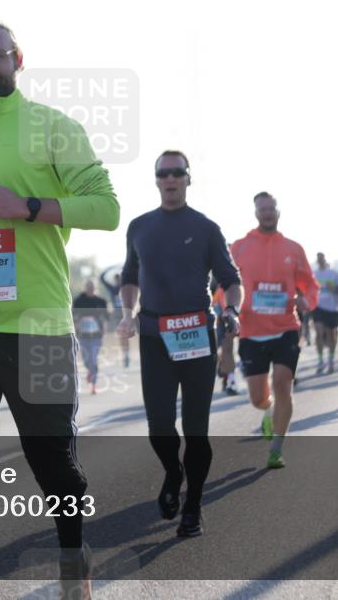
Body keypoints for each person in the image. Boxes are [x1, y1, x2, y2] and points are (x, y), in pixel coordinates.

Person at [0, 18, 119, 599]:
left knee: (53, 465)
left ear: (17, 60)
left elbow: (105, 208)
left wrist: (24, 205)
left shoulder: (52, 127)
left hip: (40, 326)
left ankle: (71, 559)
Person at [118, 150, 241, 537]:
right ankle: (174, 472)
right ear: (156, 180)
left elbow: (230, 278)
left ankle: (193, 507)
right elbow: (129, 275)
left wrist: (232, 310)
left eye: (177, 173)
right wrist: (127, 311)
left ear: (188, 179)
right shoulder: (139, 227)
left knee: (196, 429)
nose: (170, 179)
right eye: (163, 173)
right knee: (159, 427)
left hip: (197, 337)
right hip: (155, 338)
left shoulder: (206, 228)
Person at [230, 192, 319, 469]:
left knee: (283, 384)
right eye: (262, 209)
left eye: (271, 208)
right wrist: (225, 310)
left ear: (278, 212)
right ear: (255, 213)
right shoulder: (240, 247)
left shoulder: (293, 249)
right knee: (258, 397)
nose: (267, 213)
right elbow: (225, 283)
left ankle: (276, 448)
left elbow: (309, 285)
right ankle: (267, 411)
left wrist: (307, 300)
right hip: (250, 330)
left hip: (285, 328)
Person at [72, 279, 108, 395]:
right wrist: (78, 323)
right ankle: (90, 371)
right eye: (88, 287)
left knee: (93, 359)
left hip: (96, 336)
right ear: (85, 288)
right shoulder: (78, 301)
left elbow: (106, 318)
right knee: (87, 360)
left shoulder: (101, 301)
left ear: (95, 288)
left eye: (92, 287)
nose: (90, 289)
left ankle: (93, 384)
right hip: (83, 335)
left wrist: (103, 331)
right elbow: (73, 316)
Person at [312, 253, 338, 375]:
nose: (320, 260)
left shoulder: (334, 273)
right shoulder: (313, 274)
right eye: (318, 258)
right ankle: (320, 361)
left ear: (325, 259)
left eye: (322, 258)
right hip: (318, 307)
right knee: (319, 332)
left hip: (332, 308)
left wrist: (333, 288)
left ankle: (331, 359)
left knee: (331, 334)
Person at [213, 285, 240, 395]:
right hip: (226, 323)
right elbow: (214, 305)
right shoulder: (222, 289)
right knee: (227, 352)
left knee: (227, 352)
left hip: (234, 322)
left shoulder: (234, 286)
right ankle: (229, 380)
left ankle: (227, 378)